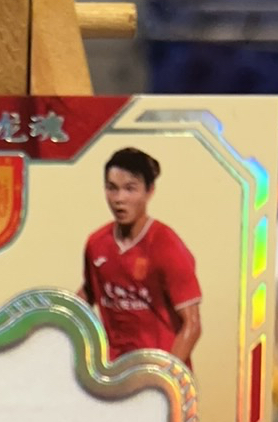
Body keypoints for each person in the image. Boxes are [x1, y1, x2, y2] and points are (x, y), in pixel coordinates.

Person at [79, 147, 202, 366]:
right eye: (112, 188)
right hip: (115, 372)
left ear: (149, 191)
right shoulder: (96, 244)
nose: (119, 199)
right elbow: (88, 293)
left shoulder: (167, 245)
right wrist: (51, 324)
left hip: (158, 370)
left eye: (130, 189)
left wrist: (163, 376)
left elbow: (192, 325)